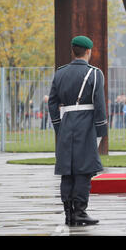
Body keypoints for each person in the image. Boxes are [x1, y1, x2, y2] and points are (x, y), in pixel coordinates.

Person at [48, 35, 107, 226]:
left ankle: (68, 213)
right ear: (88, 51)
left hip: (66, 124)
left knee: (67, 171)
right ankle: (80, 212)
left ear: (73, 51)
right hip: (86, 125)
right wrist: (101, 131)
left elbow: (52, 103)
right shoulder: (95, 73)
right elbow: (99, 105)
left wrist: (59, 126)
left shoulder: (60, 73)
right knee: (84, 170)